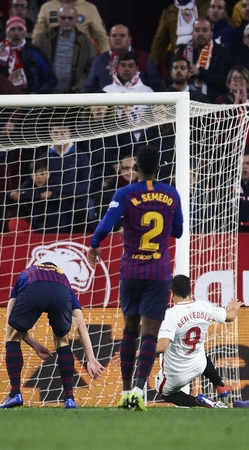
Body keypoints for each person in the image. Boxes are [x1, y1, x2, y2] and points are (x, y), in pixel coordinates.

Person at [87, 145, 184, 411]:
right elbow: (178, 231)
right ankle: (140, 392)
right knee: (150, 334)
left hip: (131, 270)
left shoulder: (124, 193)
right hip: (158, 271)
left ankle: (126, 389)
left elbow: (106, 225)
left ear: (137, 168)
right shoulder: (171, 193)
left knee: (129, 328)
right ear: (160, 168)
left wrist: (94, 244)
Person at [0, 261, 105, 409]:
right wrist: (91, 359)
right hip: (60, 293)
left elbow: (10, 323)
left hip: (32, 287)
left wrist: (33, 343)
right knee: (62, 340)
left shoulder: (27, 273)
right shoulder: (63, 279)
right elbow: (80, 324)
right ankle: (69, 399)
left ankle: (15, 394)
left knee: (12, 336)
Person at [155, 274, 243, 408]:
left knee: (164, 392)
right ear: (190, 291)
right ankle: (220, 385)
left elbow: (161, 347)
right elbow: (230, 317)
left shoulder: (170, 315)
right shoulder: (204, 306)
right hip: (198, 366)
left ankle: (197, 401)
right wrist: (233, 309)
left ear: (171, 292)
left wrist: (138, 352)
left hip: (176, 374)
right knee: (201, 354)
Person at [32, 4, 96, 93]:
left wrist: (79, 87)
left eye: (70, 18)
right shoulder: (44, 38)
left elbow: (91, 68)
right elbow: (34, 63)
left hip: (74, 96)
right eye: (63, 18)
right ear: (57, 19)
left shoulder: (85, 41)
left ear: (76, 19)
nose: (66, 21)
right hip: (47, 94)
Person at [85, 24, 162, 93]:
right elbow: (90, 88)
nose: (118, 38)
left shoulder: (144, 57)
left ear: (129, 40)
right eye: (114, 36)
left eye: (122, 36)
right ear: (109, 40)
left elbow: (156, 87)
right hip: (106, 106)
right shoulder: (99, 60)